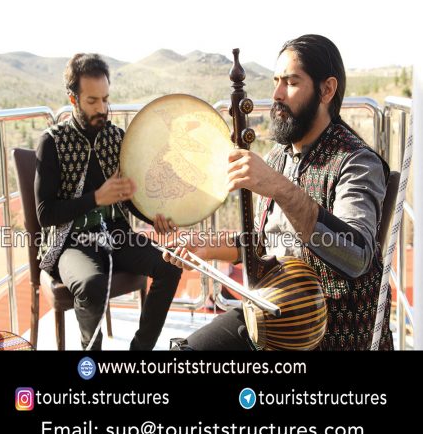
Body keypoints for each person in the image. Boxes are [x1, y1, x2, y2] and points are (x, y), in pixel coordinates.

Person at [163, 34, 393, 351]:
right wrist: (204, 247)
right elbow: (265, 244)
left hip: (332, 332)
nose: (276, 94)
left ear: (326, 90)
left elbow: (357, 256)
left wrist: (280, 188)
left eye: (291, 82)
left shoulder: (357, 162)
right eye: (275, 81)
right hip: (271, 316)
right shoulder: (278, 157)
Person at [35, 53, 182, 350]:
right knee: (92, 285)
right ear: (73, 99)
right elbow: (45, 213)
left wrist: (154, 218)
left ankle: (139, 352)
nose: (102, 108)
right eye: (92, 101)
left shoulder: (116, 137)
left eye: (106, 99)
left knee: (171, 267)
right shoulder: (52, 141)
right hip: (71, 240)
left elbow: (129, 197)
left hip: (116, 232)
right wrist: (95, 198)